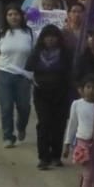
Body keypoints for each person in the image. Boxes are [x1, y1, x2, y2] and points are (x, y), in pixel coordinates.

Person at [0, 4, 35, 148]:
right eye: (10, 14)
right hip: (4, 73)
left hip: (24, 75)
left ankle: (21, 126)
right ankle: (8, 136)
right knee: (6, 107)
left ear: (21, 16)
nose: (13, 17)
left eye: (16, 14)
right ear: (6, 17)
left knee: (24, 107)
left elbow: (36, 55)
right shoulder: (0, 34)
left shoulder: (29, 33)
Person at [25, 24, 73, 170]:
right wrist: (33, 81)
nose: (51, 40)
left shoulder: (65, 53)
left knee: (59, 125)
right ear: (43, 38)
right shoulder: (36, 52)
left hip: (61, 93)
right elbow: (28, 69)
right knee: (44, 123)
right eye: (48, 37)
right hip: (41, 93)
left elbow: (71, 72)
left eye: (53, 37)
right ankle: (43, 157)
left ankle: (56, 156)